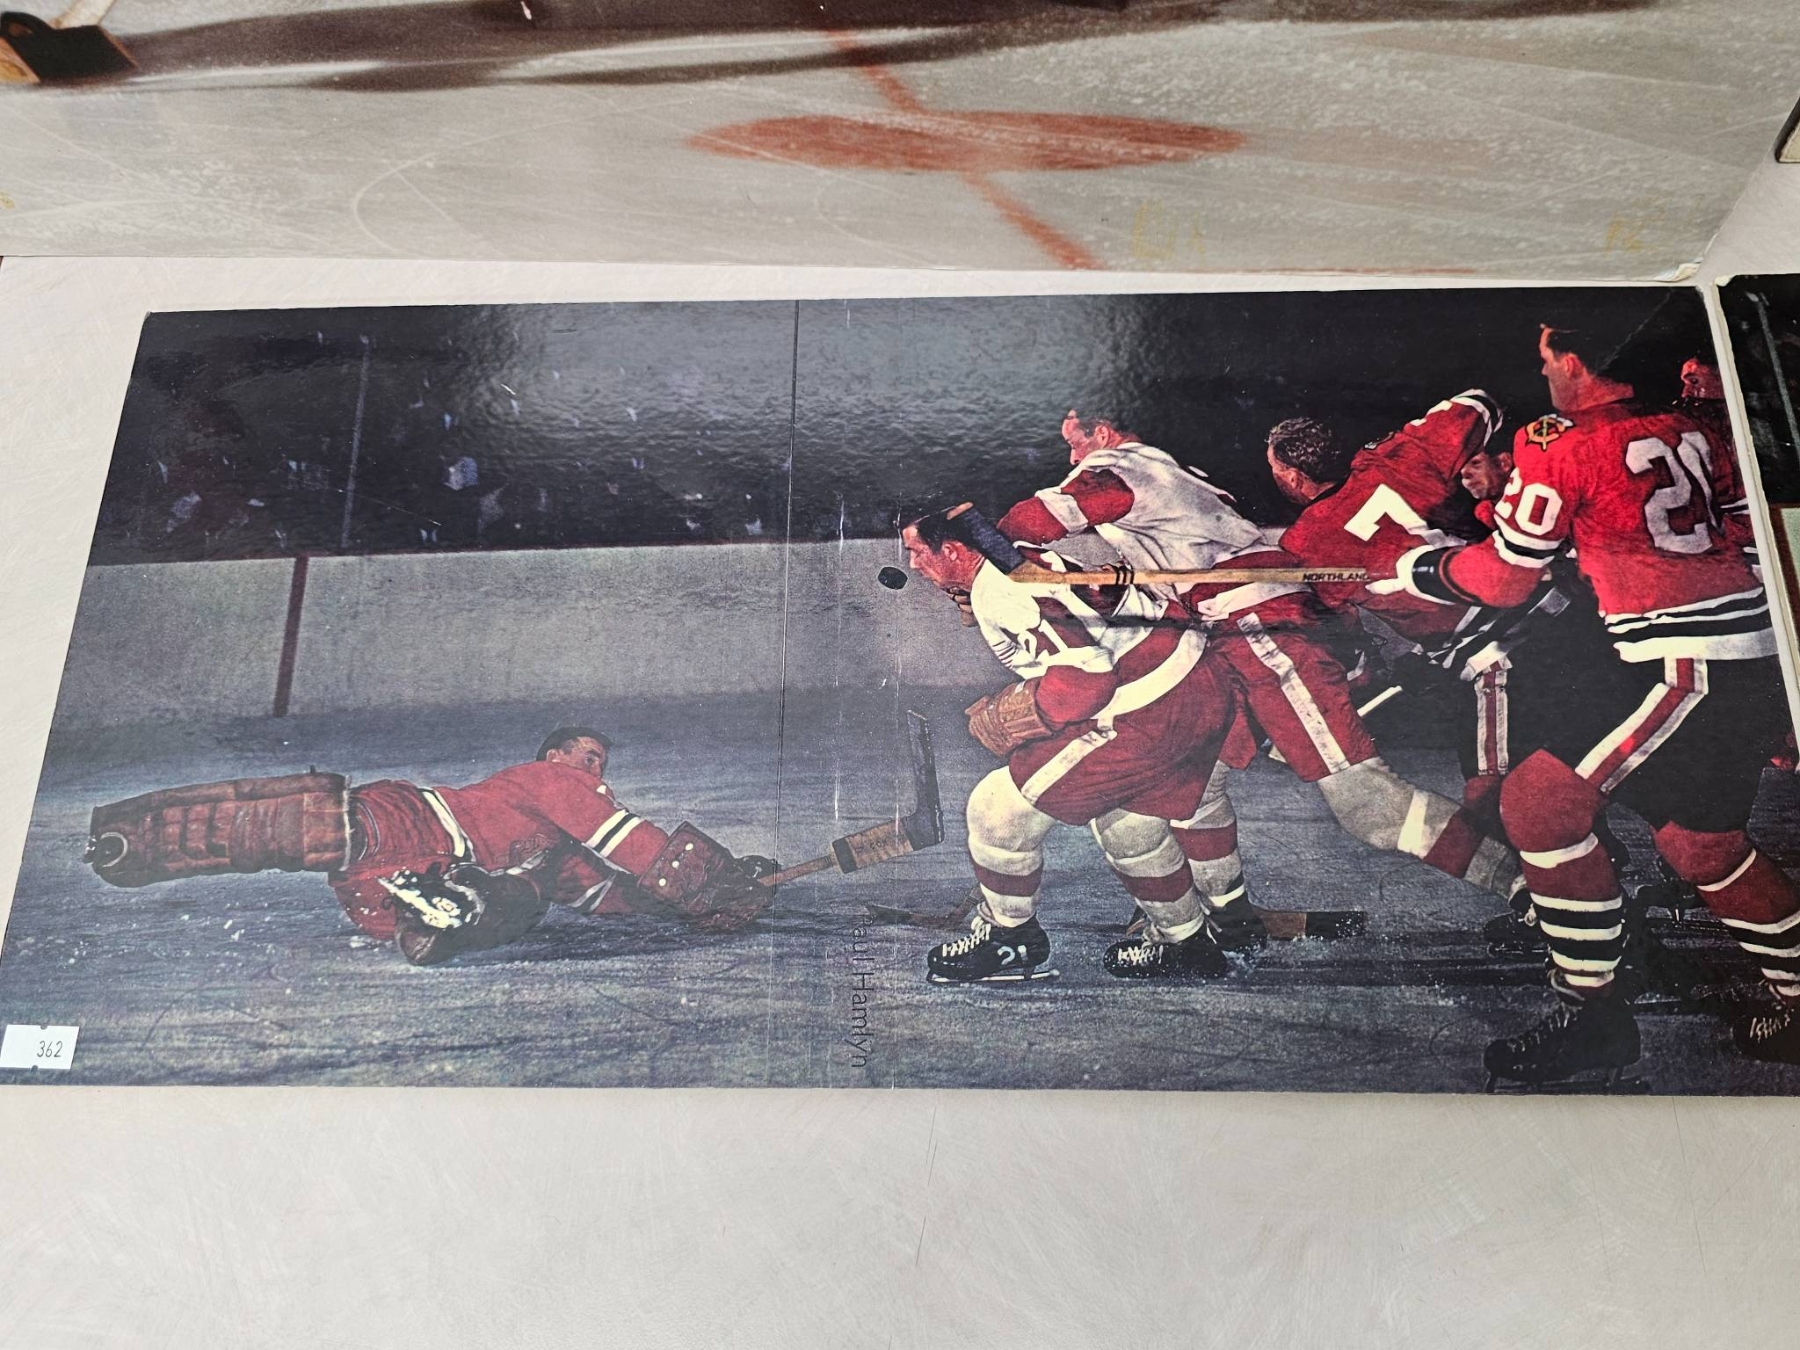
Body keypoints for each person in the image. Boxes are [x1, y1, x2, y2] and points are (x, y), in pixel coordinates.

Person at [1388, 317, 1798, 1084]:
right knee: (1703, 848)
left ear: (1575, 360)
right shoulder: (1696, 427)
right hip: (1747, 655)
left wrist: (1421, 570)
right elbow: (1755, 546)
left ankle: (1595, 1018)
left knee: (1538, 807)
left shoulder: (1557, 440)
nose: (1543, 373)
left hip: (1682, 661)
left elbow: (1504, 579)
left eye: (1547, 357)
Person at [998, 410, 1521, 930]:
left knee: (1368, 804)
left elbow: (1030, 522)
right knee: (1194, 781)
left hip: (1257, 630)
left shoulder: (1118, 465)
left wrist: (986, 571)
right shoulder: (1176, 473)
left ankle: (1531, 893)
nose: (1072, 457)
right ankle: (1230, 916)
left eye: (1075, 442)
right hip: (1235, 633)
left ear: (1104, 434)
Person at [84, 727, 777, 965]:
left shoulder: (555, 851)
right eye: (585, 755)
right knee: (319, 824)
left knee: (524, 898)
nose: (595, 770)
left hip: (394, 885)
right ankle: (139, 838)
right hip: (416, 823)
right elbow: (624, 840)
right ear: (553, 756)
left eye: (599, 761)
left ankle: (435, 915)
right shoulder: (545, 780)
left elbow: (605, 894)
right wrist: (706, 883)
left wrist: (671, 904)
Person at [901, 505, 1239, 983]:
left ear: (953, 550)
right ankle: (1187, 944)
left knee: (996, 812)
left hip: (1144, 710)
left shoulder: (1002, 591)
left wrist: (1024, 711)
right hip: (1198, 686)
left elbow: (1087, 683)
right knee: (1128, 827)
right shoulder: (1021, 557)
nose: (913, 565)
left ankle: (1010, 940)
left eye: (918, 552)